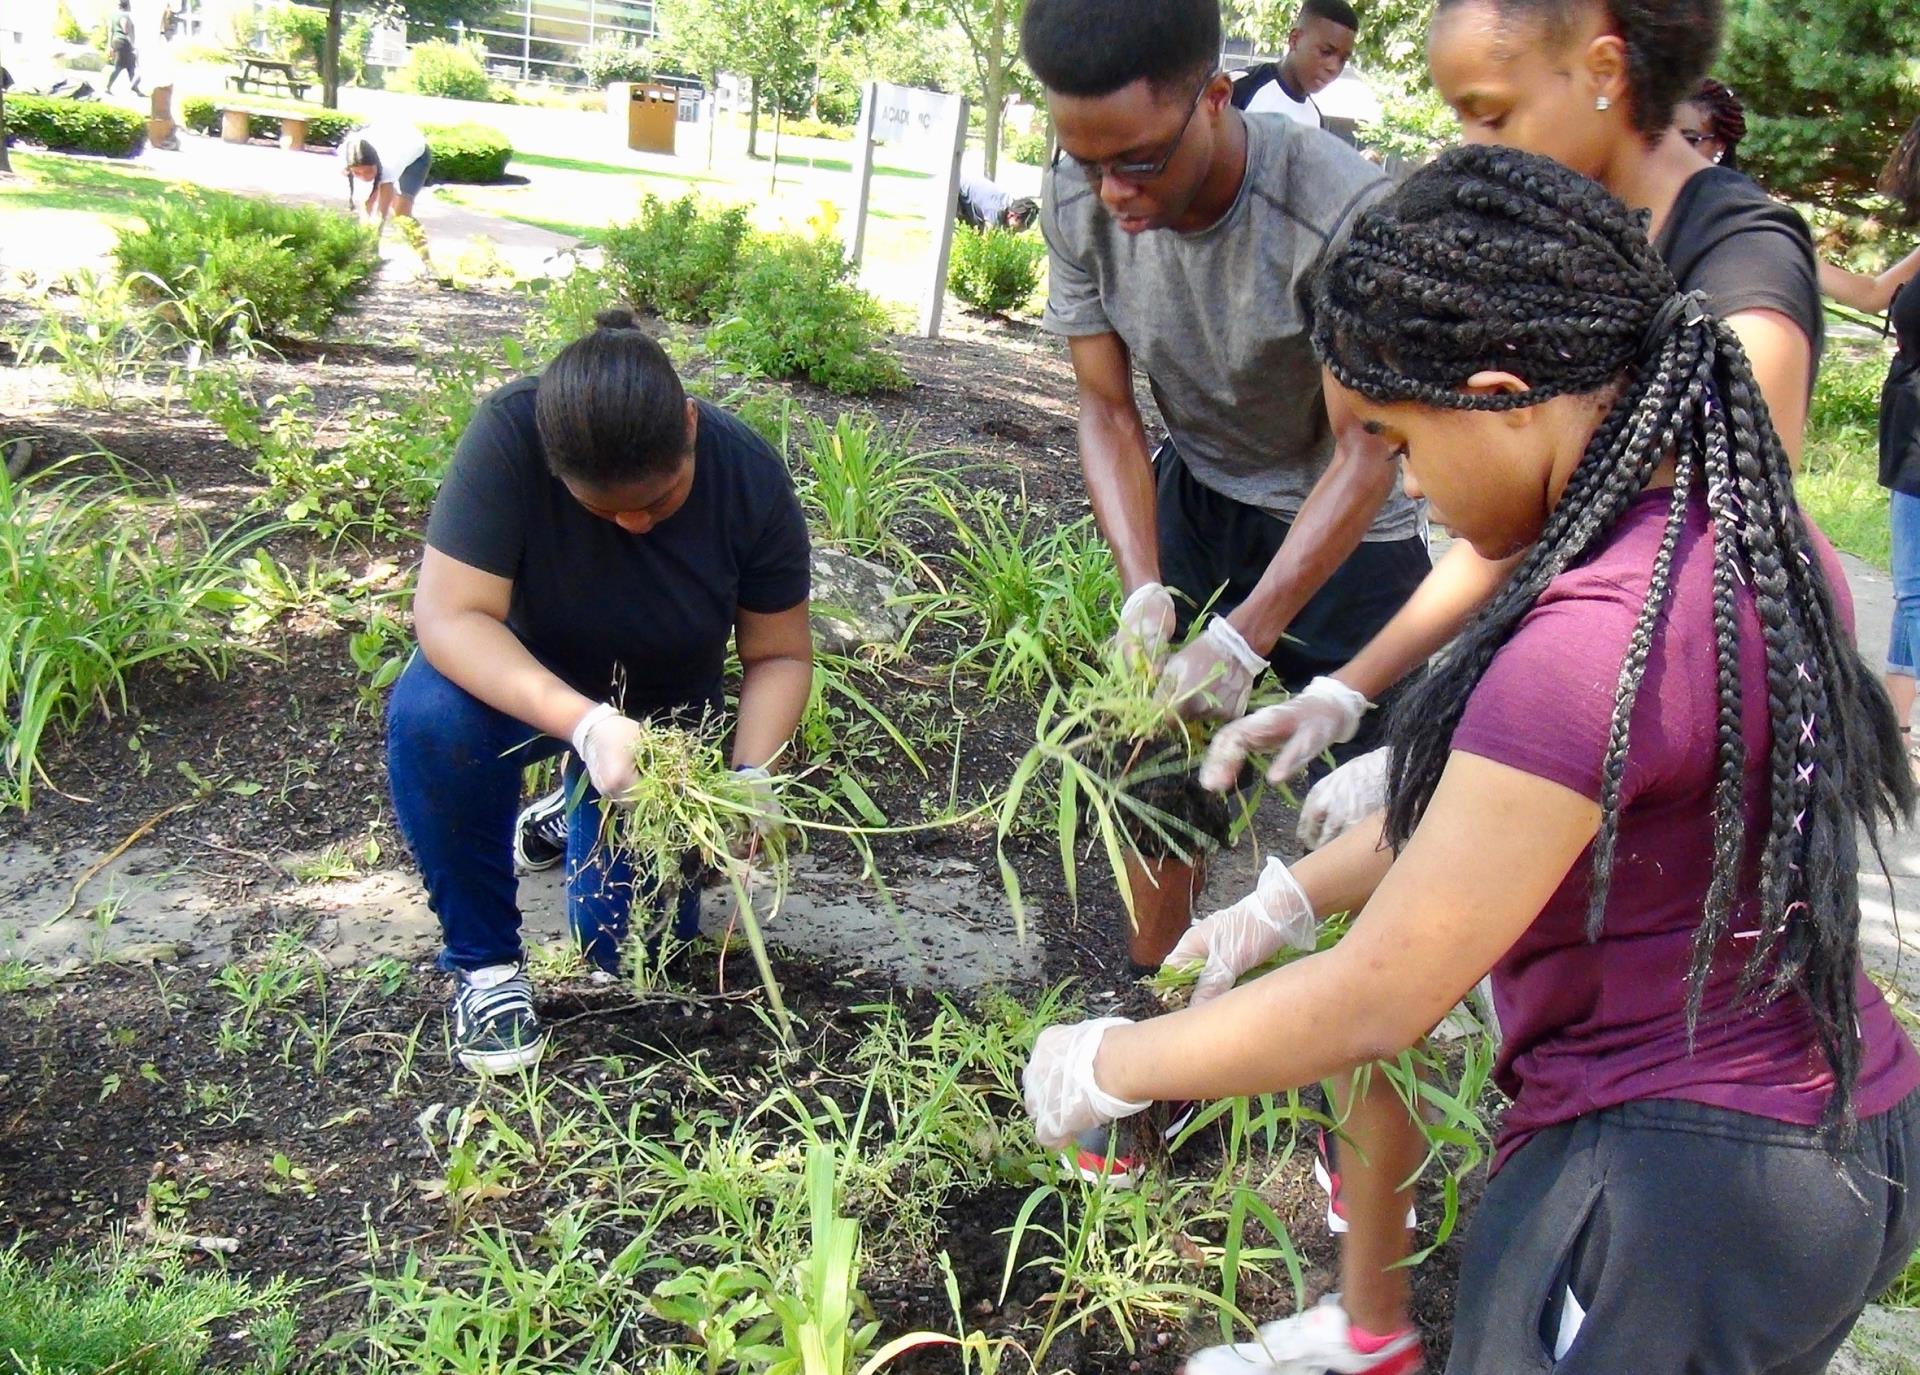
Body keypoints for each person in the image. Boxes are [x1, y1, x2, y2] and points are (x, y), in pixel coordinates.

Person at [1026, 142, 1920, 1375]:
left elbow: (1380, 995)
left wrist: (1112, 1062)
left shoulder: (1592, 637)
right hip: (1847, 1126)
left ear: (1502, 393)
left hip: (1670, 1195)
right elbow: (1522, 820)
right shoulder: (1745, 542)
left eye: (1399, 442)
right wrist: (1290, 895)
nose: (1415, 492)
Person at [1190, 1, 1834, 1364]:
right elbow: (1553, 540)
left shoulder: (1734, 279)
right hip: (1743, 1102)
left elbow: (1382, 989)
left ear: (1604, 71)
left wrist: (1108, 1063)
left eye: (1488, 111)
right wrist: (1355, 696)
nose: (1468, 143)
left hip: (1685, 1156)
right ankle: (1373, 1321)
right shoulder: (1589, 367)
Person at [387, 308, 813, 1075]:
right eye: (606, 509)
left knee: (632, 951)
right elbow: (448, 617)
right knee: (429, 719)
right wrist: (585, 724)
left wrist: (751, 777)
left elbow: (779, 654)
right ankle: (486, 971)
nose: (637, 522)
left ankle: (580, 795)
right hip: (522, 690)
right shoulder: (510, 437)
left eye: (661, 498)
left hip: (662, 723)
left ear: (689, 424)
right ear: (553, 467)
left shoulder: (747, 476)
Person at [1821, 114, 1920, 767]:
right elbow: (1870, 291)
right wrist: (1779, 242)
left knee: (1917, 588)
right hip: (1910, 422)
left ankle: (1895, 734)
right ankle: (1896, 734)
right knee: (1914, 583)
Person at [1232, 0, 1359, 130]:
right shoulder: (1238, 87)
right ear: (1295, 40)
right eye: (1326, 52)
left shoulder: (1315, 120)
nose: (1334, 67)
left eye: (1343, 60)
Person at [340, 124, 433, 238]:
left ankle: (424, 253)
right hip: (390, 145)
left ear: (376, 166)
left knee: (402, 214)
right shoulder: (345, 157)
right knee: (366, 206)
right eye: (358, 173)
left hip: (416, 156)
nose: (364, 177)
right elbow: (366, 203)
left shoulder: (388, 167)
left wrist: (374, 239)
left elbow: (380, 215)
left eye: (368, 172)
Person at [1677, 76, 1745, 170]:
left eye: (1689, 140)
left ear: (1719, 146)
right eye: (1660, 140)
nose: (1671, 149)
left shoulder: (1734, 184)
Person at [956, 171, 1041, 231]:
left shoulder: (1008, 202)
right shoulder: (995, 212)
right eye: (1023, 226)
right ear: (1012, 215)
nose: (1024, 230)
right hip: (954, 190)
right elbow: (985, 245)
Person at [104, 0, 142, 97]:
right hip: (124, 43)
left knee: (130, 66)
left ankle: (135, 88)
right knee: (119, 66)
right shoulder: (125, 16)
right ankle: (107, 87)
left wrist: (109, 46)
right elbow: (126, 30)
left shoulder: (113, 15)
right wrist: (133, 45)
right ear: (127, 5)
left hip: (116, 41)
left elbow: (110, 31)